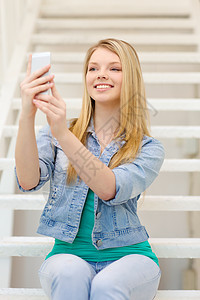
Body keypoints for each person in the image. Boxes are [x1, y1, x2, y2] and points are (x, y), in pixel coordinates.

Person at [15, 38, 165, 300]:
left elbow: (109, 188)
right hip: (67, 255)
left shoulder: (148, 148)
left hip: (130, 257)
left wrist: (62, 132)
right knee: (69, 273)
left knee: (106, 286)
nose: (101, 74)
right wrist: (27, 114)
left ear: (130, 77)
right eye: (93, 68)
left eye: (114, 68)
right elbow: (27, 181)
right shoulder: (56, 133)